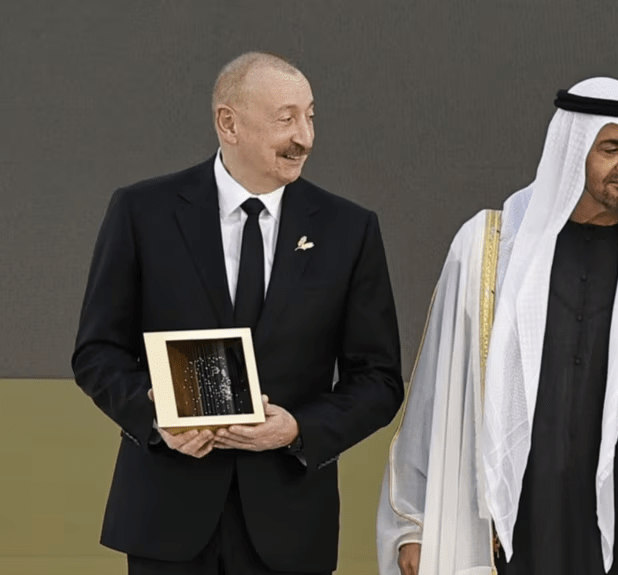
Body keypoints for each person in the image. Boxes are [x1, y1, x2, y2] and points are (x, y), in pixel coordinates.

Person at [377, 77, 618, 575]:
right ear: (572, 149)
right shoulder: (489, 249)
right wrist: (414, 524)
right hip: (514, 529)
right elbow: (435, 395)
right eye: (611, 148)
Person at [72, 52, 404, 574]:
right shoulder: (143, 212)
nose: (305, 137)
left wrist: (298, 429)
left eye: (310, 116)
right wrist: (156, 417)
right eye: (286, 119)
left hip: (291, 528)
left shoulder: (349, 229)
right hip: (167, 520)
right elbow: (97, 352)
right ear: (228, 123)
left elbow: (379, 379)